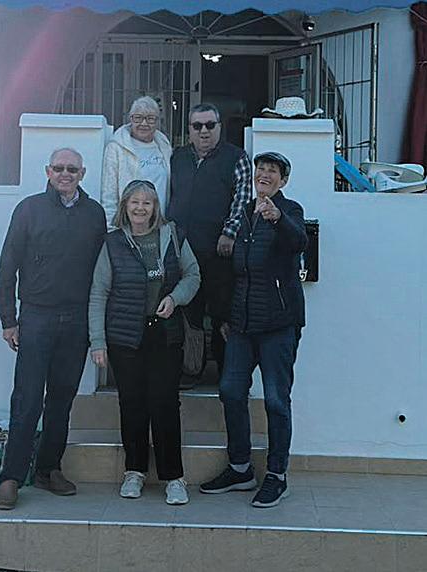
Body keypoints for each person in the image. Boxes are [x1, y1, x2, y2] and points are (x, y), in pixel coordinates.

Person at [0, 148, 106, 510]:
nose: (65, 174)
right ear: (48, 171)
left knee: (61, 399)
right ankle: (11, 477)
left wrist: (97, 325)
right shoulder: (29, 209)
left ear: (82, 173)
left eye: (72, 169)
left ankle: (48, 469)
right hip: (36, 317)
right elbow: (8, 265)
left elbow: (101, 273)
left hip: (76, 320)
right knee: (27, 399)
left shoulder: (94, 214)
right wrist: (8, 319)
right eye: (59, 168)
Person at [199, 152, 307, 508]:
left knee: (276, 400)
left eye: (273, 171)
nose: (265, 174)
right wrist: (225, 317)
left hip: (278, 326)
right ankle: (240, 468)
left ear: (283, 181)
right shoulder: (243, 214)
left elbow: (299, 242)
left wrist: (278, 219)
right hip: (242, 327)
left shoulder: (290, 211)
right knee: (230, 391)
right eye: (261, 169)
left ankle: (277, 475)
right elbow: (231, 271)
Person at [89, 180, 200, 505]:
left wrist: (175, 298)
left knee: (165, 404)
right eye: (134, 202)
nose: (140, 208)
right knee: (132, 404)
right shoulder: (112, 243)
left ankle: (174, 477)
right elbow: (99, 292)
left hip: (165, 333)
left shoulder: (173, 236)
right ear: (125, 205)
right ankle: (134, 471)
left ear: (155, 207)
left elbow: (193, 275)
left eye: (147, 203)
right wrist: (97, 341)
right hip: (125, 336)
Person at [167, 103, 252, 383]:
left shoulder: (236, 157)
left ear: (219, 127)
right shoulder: (177, 157)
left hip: (219, 251)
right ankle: (192, 370)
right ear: (189, 129)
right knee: (189, 314)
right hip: (182, 251)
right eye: (197, 126)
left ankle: (228, 377)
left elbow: (242, 200)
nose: (204, 131)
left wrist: (229, 232)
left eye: (210, 125)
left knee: (222, 313)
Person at [101, 96, 172, 229]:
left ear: (157, 121)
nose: (144, 123)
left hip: (158, 225)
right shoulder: (117, 147)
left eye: (150, 118)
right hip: (129, 226)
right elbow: (109, 193)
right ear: (130, 119)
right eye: (138, 118)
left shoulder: (164, 146)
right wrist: (111, 228)